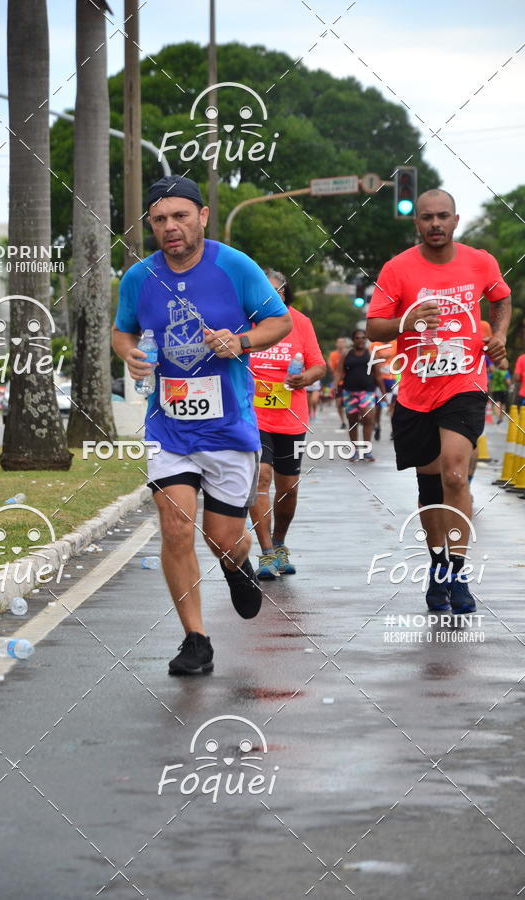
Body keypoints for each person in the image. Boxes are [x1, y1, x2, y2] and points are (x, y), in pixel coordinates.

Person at [112, 175, 292, 675]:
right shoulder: (139, 278)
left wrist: (242, 342)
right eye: (160, 219)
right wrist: (130, 355)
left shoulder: (234, 267)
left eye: (180, 216)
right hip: (169, 427)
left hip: (229, 427)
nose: (171, 227)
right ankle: (195, 640)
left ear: (203, 216)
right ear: (151, 224)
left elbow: (280, 322)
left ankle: (237, 567)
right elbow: (123, 330)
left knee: (222, 538)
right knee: (174, 526)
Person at [366, 189, 511, 614]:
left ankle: (460, 572)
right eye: (427, 217)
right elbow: (375, 327)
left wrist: (498, 335)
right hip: (416, 390)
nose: (435, 224)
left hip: (464, 384)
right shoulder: (397, 269)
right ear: (417, 224)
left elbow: (500, 297)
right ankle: (438, 566)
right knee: (430, 487)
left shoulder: (479, 261)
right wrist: (405, 321)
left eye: (442, 216)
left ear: (455, 219)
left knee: (455, 475)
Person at [248, 269, 326, 579]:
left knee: (288, 488)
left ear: (284, 294)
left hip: (290, 416)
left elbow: (318, 365)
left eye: (275, 293)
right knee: (261, 478)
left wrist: (305, 377)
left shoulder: (300, 323)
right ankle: (266, 552)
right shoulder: (246, 320)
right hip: (253, 416)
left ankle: (279, 543)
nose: (268, 298)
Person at [336, 329, 386, 461]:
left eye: (363, 338)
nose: (361, 340)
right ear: (353, 340)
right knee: (352, 421)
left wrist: (383, 392)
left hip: (367, 392)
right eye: (358, 338)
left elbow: (378, 376)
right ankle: (354, 451)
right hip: (349, 392)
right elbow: (339, 372)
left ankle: (367, 450)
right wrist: (335, 388)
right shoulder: (346, 355)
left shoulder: (371, 354)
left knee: (368, 418)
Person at [328, 337, 348, 431]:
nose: (340, 344)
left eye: (342, 342)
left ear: (345, 344)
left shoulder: (349, 353)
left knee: (350, 402)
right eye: (339, 342)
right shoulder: (333, 355)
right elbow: (331, 367)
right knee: (339, 403)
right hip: (338, 382)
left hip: (349, 381)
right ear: (336, 344)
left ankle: (355, 417)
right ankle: (343, 421)